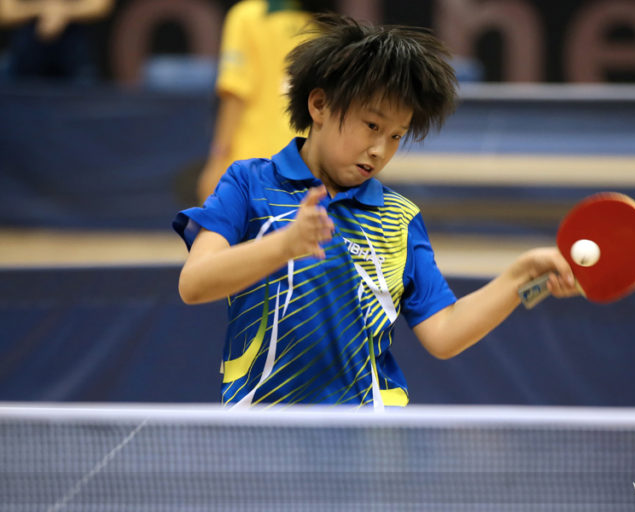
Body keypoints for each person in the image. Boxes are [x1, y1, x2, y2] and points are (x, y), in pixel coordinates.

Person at [173, 14, 578, 409]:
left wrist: (518, 277)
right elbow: (194, 284)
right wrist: (285, 245)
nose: (380, 150)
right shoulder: (248, 183)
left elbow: (444, 332)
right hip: (259, 436)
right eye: (371, 125)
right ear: (319, 104)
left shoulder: (399, 218)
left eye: (396, 135)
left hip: (367, 439)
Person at [196, 0, 314, 203]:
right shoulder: (319, 24)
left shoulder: (246, 16)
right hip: (302, 164)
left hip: (251, 165)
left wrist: (217, 159)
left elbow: (235, 92)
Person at [0, 0, 114, 83]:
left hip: (74, 47)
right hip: (25, 48)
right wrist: (44, 10)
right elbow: (6, 12)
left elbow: (99, 6)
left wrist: (61, 12)